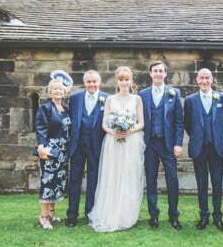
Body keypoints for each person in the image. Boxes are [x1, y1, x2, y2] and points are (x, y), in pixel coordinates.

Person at [87, 66, 146, 232]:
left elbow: (141, 123)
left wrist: (128, 130)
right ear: (116, 81)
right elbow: (104, 123)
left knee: (128, 176)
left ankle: (125, 215)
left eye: (127, 79)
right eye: (121, 79)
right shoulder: (110, 100)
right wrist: (113, 131)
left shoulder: (137, 99)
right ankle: (110, 212)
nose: (124, 82)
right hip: (113, 142)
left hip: (131, 142)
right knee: (113, 175)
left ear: (131, 81)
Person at [139, 61, 184, 230]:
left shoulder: (174, 93)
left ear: (165, 74)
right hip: (150, 143)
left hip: (168, 144)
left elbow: (179, 121)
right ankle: (153, 215)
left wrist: (178, 143)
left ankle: (174, 215)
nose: (158, 74)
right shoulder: (143, 94)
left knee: (172, 179)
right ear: (150, 74)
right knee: (151, 180)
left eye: (161, 71)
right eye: (155, 71)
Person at [184, 68, 223, 231]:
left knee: (217, 184)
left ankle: (218, 217)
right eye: (201, 78)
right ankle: (204, 216)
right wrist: (197, 136)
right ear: (197, 80)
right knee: (201, 184)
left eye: (207, 78)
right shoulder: (190, 100)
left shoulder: (222, 98)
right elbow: (187, 124)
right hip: (199, 148)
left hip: (217, 147)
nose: (204, 81)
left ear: (212, 79)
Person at [65, 70, 109, 228]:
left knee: (94, 182)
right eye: (89, 82)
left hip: (96, 146)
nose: (92, 84)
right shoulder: (75, 98)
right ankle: (72, 215)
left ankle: (90, 213)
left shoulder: (107, 99)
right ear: (84, 83)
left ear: (99, 82)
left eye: (94, 81)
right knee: (74, 181)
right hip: (77, 145)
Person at [34, 71, 72, 230]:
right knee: (48, 182)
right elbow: (41, 128)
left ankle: (52, 213)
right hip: (49, 150)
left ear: (65, 91)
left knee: (57, 183)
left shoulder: (65, 108)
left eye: (60, 89)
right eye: (55, 89)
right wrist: (41, 146)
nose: (58, 91)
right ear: (50, 92)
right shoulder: (45, 108)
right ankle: (43, 217)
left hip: (62, 152)